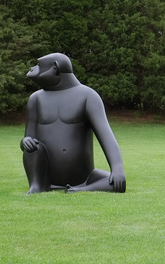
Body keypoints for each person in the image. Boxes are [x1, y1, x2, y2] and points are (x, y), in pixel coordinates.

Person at [20, 53, 126, 194]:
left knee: (117, 183)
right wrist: (25, 142)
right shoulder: (36, 99)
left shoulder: (88, 96)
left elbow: (106, 135)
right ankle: (37, 185)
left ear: (55, 68)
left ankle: (81, 189)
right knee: (32, 147)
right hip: (45, 176)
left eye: (39, 65)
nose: (33, 68)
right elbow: (29, 138)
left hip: (84, 176)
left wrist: (117, 167)